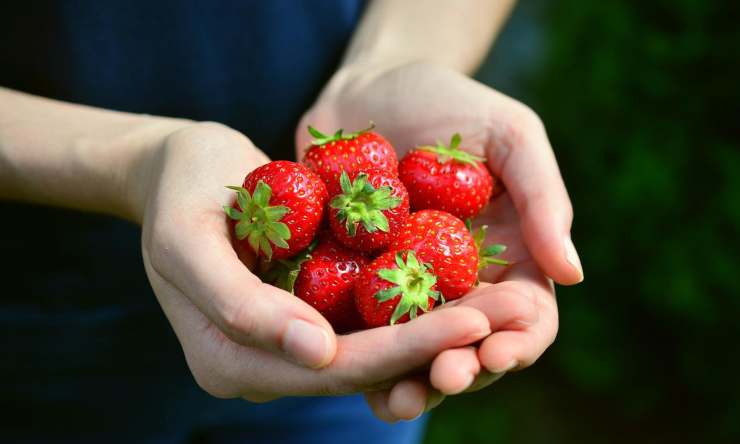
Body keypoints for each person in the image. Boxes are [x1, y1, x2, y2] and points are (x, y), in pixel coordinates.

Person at [0, 1, 583, 443]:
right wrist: (136, 162)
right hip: (48, 325)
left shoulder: (366, 262)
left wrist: (397, 58)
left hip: (335, 334)